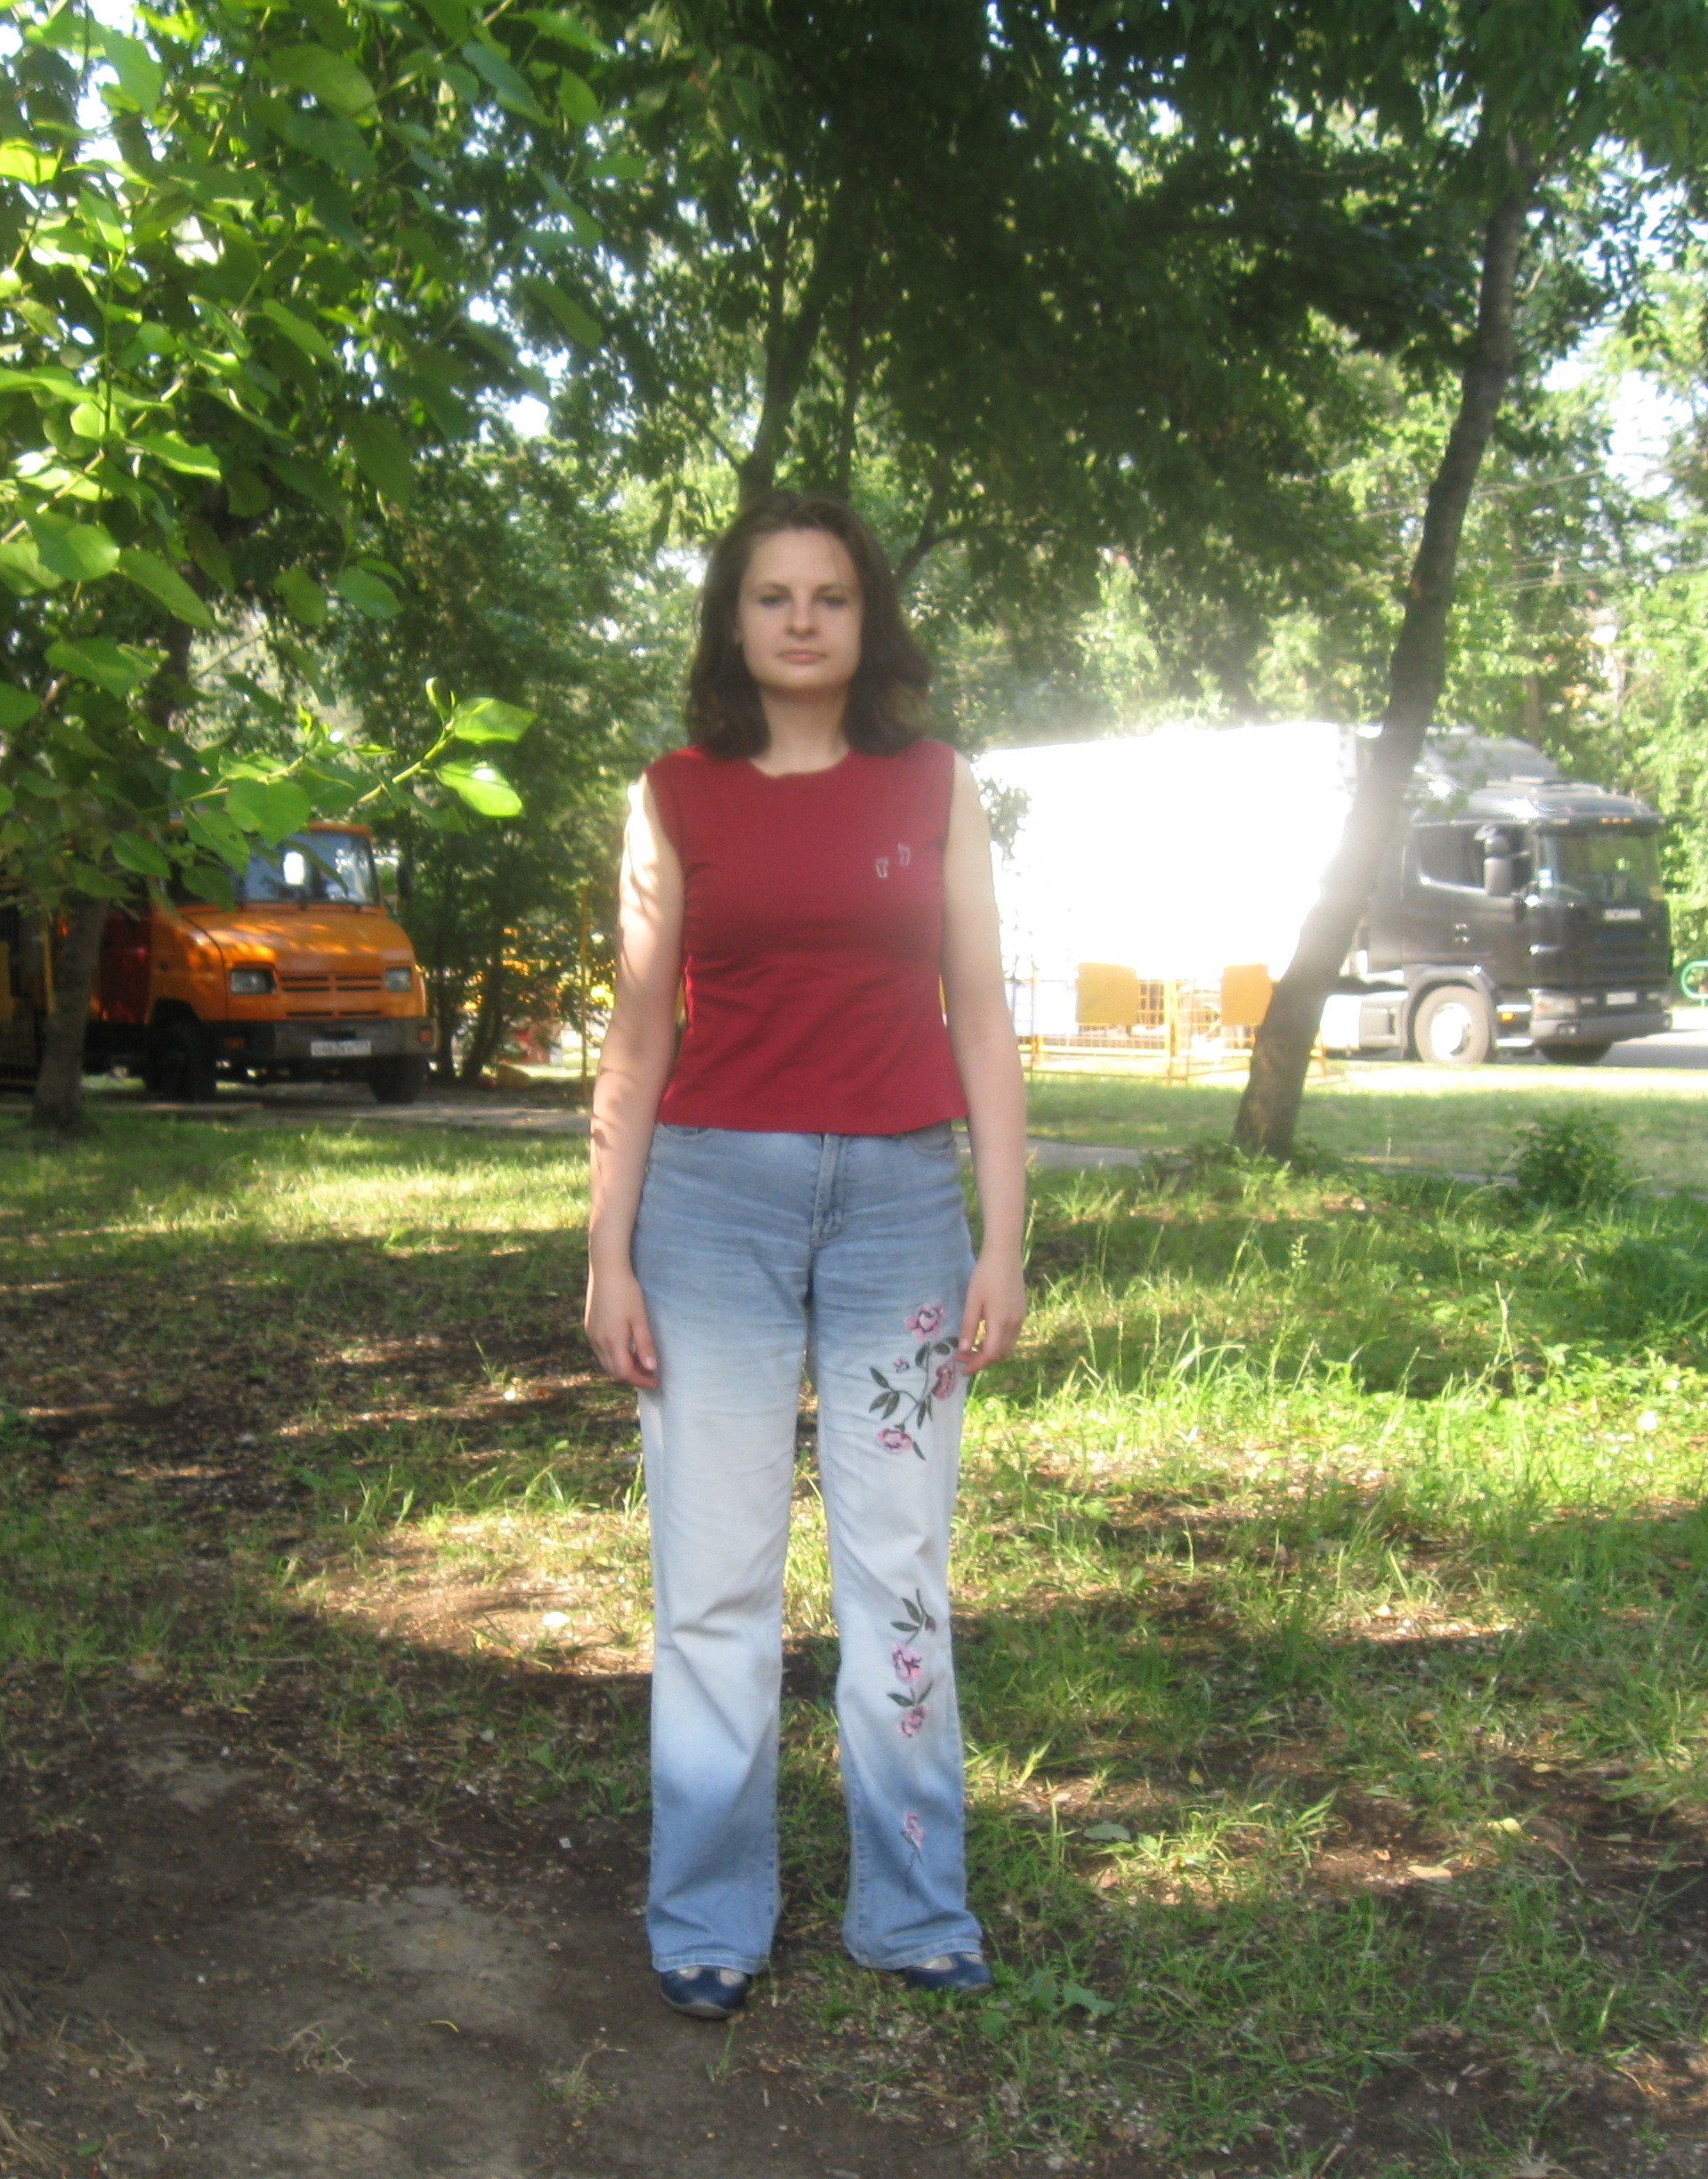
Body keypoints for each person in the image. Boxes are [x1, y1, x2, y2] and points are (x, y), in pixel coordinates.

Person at [582, 491, 1029, 2021]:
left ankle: (915, 1908)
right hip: (709, 1216)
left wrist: (1003, 1239)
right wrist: (607, 1252)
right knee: (713, 1584)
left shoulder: (936, 786)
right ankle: (710, 1913)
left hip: (902, 1212)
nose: (799, 620)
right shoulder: (674, 796)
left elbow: (985, 1018)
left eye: (828, 596)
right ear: (734, 620)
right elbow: (638, 1032)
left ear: (866, 620)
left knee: (898, 1577)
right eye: (771, 596)